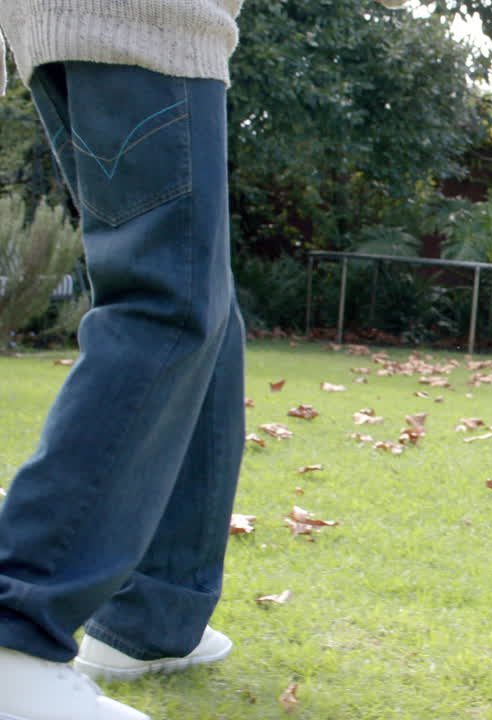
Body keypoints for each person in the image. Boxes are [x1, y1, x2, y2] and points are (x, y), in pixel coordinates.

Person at [0, 4, 249, 719]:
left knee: (204, 311)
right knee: (164, 305)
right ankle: (16, 633)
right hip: (144, 19)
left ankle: (152, 618)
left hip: (66, 24)